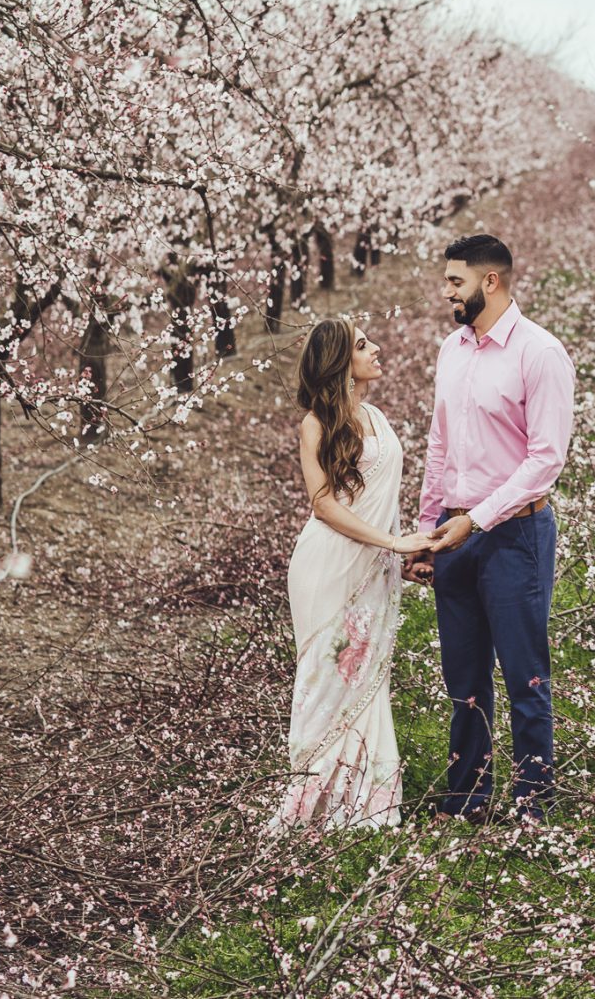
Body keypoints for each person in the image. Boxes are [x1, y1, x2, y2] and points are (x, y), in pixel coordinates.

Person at [405, 233, 575, 824]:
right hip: (454, 535)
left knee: (525, 675)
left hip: (514, 536)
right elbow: (439, 443)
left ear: (491, 282)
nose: (446, 290)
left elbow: (546, 459)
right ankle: (468, 799)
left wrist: (475, 520)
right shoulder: (452, 349)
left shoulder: (540, 353)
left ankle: (532, 805)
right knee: (465, 676)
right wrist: (430, 527)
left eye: (456, 281)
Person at [269, 317, 436, 833]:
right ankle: (312, 803)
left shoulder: (378, 417)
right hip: (329, 566)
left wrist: (399, 555)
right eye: (363, 345)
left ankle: (367, 802)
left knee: (369, 678)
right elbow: (322, 505)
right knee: (328, 678)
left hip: (374, 564)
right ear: (341, 364)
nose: (377, 348)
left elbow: (380, 503)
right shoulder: (315, 425)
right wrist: (393, 543)